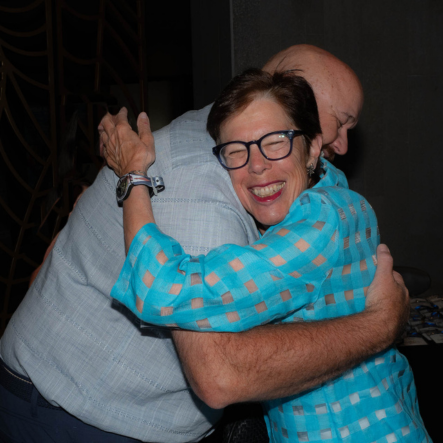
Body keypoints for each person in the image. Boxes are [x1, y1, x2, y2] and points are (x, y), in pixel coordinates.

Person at [0, 45, 409, 443]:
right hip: (75, 420)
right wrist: (379, 325)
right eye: (341, 122)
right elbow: (220, 374)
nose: (344, 145)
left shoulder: (300, 185)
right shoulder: (205, 188)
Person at [102, 69, 429, 443]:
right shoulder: (338, 196)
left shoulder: (318, 223)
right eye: (236, 150)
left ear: (313, 147)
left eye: (275, 142)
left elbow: (159, 287)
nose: (256, 165)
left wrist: (132, 177)